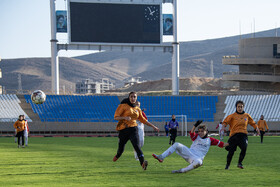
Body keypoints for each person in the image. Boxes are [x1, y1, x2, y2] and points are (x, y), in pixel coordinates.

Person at [152, 120, 229, 173]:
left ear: (206, 132)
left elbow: (223, 144)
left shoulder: (210, 140)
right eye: (199, 131)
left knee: (199, 162)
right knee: (176, 144)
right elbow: (192, 133)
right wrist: (194, 126)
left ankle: (181, 171)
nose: (200, 133)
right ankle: (161, 157)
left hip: (196, 158)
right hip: (189, 153)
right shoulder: (196, 137)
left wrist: (232, 142)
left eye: (202, 131)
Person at [113, 92, 159, 170]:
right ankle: (118, 155)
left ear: (136, 98)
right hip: (123, 130)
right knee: (121, 150)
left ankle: (143, 163)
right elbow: (116, 117)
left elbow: (143, 120)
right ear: (129, 97)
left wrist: (153, 126)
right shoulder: (123, 106)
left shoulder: (137, 109)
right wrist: (125, 118)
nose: (133, 98)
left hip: (133, 129)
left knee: (137, 146)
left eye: (134, 97)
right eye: (131, 97)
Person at [222, 100, 260, 170]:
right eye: (238, 107)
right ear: (236, 107)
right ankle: (227, 165)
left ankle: (240, 163)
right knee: (231, 151)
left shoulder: (247, 115)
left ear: (243, 107)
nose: (240, 108)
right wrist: (223, 127)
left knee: (244, 148)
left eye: (241, 107)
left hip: (243, 135)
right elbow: (225, 122)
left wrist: (257, 128)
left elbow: (253, 123)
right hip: (234, 136)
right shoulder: (232, 116)